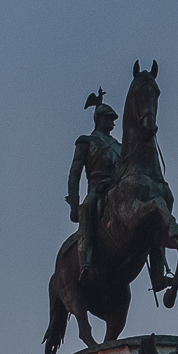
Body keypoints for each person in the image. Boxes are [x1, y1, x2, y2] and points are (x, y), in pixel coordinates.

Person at [66, 90, 121, 284]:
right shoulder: (86, 141)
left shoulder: (119, 146)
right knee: (86, 209)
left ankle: (158, 271)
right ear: (99, 119)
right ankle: (86, 263)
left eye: (113, 119)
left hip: (116, 189)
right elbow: (74, 173)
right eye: (109, 118)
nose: (113, 122)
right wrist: (74, 203)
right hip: (96, 189)